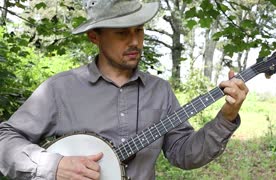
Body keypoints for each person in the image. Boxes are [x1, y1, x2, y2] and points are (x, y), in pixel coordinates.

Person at [0, 0, 249, 179]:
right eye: (122, 33)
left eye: (139, 30)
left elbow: (184, 155)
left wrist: (226, 116)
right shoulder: (60, 89)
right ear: (94, 37)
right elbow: (4, 140)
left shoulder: (160, 91)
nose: (135, 42)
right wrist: (55, 166)